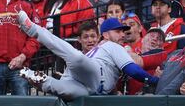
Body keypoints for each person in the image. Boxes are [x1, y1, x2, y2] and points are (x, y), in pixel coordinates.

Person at [18, 16, 159, 101]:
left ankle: (27, 73)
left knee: (61, 88)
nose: (123, 34)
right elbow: (133, 70)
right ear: (105, 35)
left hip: (87, 88)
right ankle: (34, 29)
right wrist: (153, 80)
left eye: (123, 31)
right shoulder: (113, 46)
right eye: (118, 31)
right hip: (94, 74)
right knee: (76, 57)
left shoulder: (107, 47)